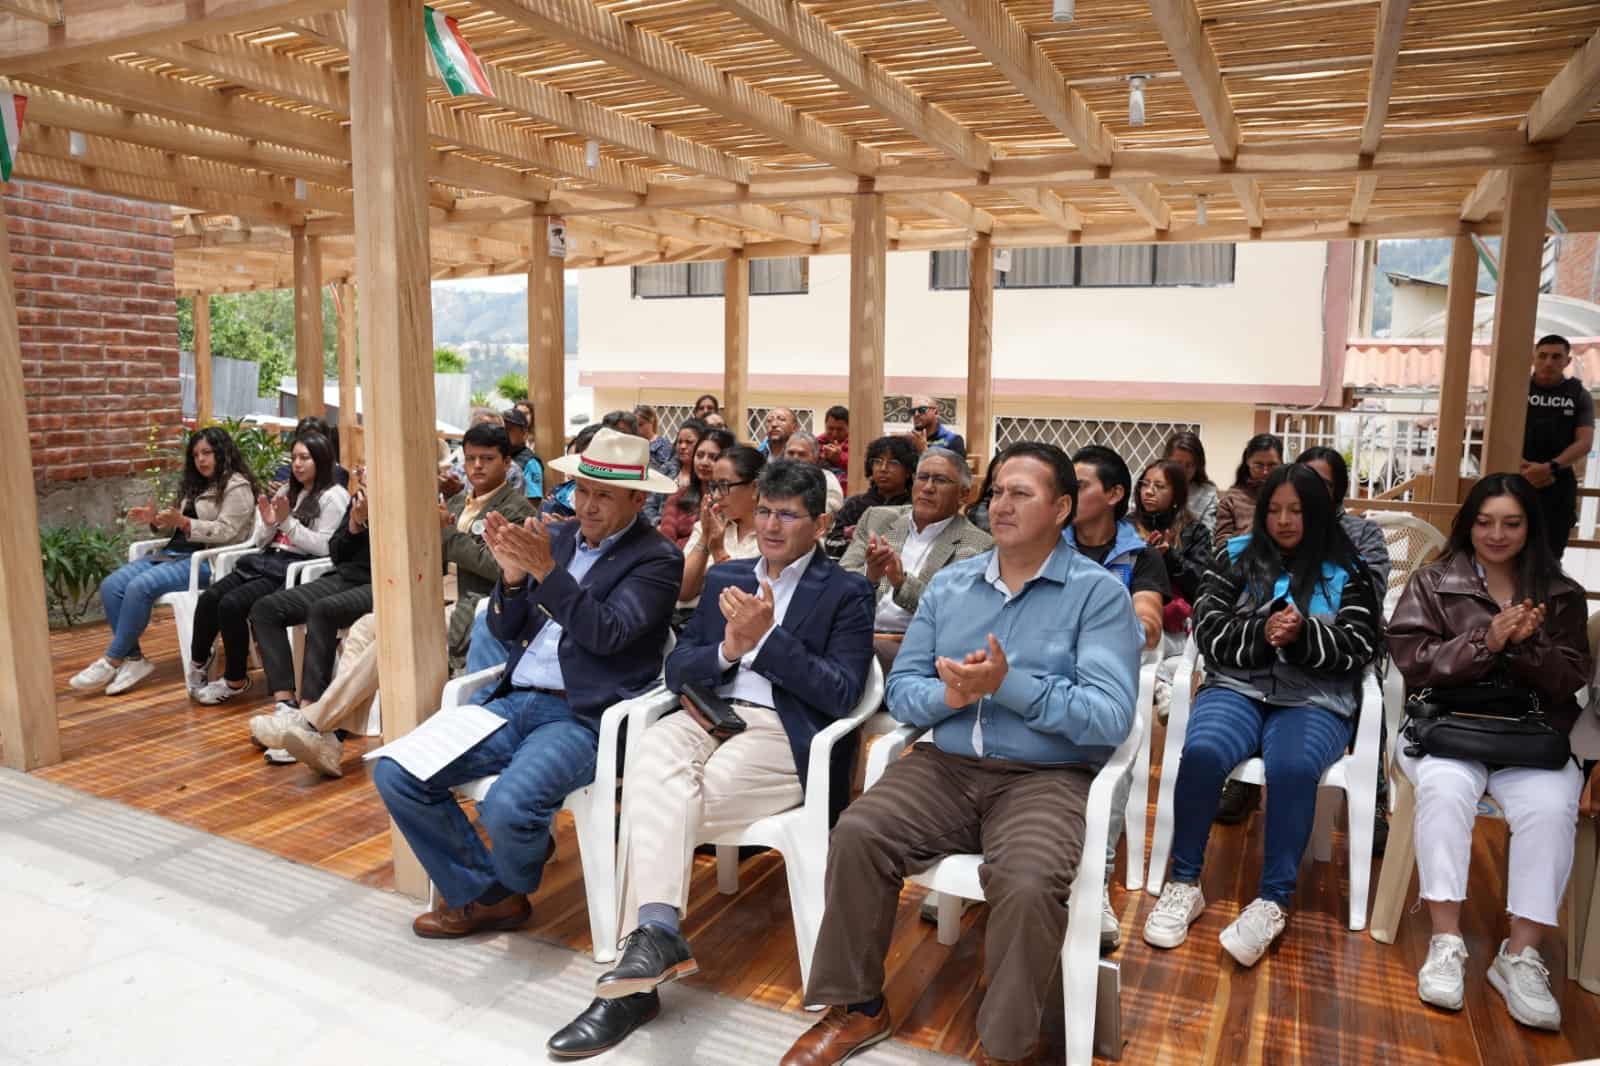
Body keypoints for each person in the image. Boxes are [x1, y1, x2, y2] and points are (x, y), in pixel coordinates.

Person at [782, 441, 1141, 1066]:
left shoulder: (1098, 594)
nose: (1001, 505)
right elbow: (903, 689)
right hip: (946, 766)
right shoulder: (951, 586)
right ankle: (857, 1008)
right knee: (859, 834)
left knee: (1028, 882)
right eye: (997, 492)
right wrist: (952, 695)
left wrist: (1010, 686)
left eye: (1020, 494)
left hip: (1045, 776)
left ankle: (1005, 1047)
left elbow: (1109, 718)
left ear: (1061, 508)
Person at [549, 460, 875, 1059]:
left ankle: (631, 987)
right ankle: (655, 939)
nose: (771, 526)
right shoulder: (727, 575)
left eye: (788, 515)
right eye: (765, 511)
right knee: (651, 755)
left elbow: (840, 693)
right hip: (705, 713)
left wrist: (767, 640)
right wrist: (727, 647)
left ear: (822, 524)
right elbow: (678, 670)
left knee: (652, 802)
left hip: (780, 731)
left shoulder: (847, 592)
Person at [372, 428, 682, 942]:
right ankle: (491, 894)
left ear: (637, 499)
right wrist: (514, 579)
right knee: (396, 772)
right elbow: (503, 629)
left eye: (604, 495)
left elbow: (609, 635)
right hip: (513, 699)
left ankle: (500, 884)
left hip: (581, 715)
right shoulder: (556, 538)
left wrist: (547, 572)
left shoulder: (657, 559)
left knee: (508, 807)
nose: (587, 505)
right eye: (583, 490)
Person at [1143, 463, 1381, 967]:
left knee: (1293, 767)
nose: (1284, 521)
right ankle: (1184, 883)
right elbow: (1208, 629)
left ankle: (1273, 901)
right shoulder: (1234, 556)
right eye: (1274, 510)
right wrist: (1261, 632)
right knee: (1203, 751)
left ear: (1317, 512)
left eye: (1297, 510)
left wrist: (1302, 636)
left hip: (1314, 699)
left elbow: (1361, 644)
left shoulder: (1349, 567)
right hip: (1237, 687)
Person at [1388, 473, 1589, 1030]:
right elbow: (1414, 661)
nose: (1496, 534)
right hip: (1447, 727)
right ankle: (1446, 940)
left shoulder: (1561, 593)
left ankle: (1519, 955)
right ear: (1468, 524)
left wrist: (1527, 646)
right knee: (1444, 788)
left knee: (1551, 805)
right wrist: (1488, 640)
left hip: (1530, 735)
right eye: (1484, 522)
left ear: (1531, 527)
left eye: (1511, 523)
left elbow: (1571, 679)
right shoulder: (1434, 582)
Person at [70, 427, 258, 696]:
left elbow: (228, 531)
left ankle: (112, 660)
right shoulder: (195, 485)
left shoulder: (237, 486)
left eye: (207, 453)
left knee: (140, 586)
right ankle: (134, 659)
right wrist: (156, 521)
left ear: (222, 452)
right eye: (196, 455)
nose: (201, 459)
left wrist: (185, 522)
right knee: (111, 585)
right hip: (173, 554)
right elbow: (177, 527)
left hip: (207, 561)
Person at [188, 432, 348, 705]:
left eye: (304, 458)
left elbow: (326, 547)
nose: (297, 464)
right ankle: (198, 665)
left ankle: (235, 679)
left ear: (321, 459)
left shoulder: (334, 497)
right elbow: (261, 540)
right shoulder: (287, 491)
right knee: (210, 598)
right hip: (266, 559)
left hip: (295, 567)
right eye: (294, 458)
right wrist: (270, 523)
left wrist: (288, 525)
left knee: (232, 604)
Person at [248, 470, 373, 763]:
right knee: (266, 609)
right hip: (344, 577)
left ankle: (308, 716)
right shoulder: (360, 499)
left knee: (323, 611)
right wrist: (355, 523)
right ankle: (286, 707)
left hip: (382, 583)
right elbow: (337, 552)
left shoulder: (408, 498)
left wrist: (368, 522)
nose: (364, 473)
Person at [841, 447, 991, 672]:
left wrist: (902, 583)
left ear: (964, 494)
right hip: (857, 634)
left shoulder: (979, 545)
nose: (928, 488)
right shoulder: (877, 518)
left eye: (940, 480)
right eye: (923, 477)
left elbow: (951, 612)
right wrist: (870, 576)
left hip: (917, 649)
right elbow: (841, 584)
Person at [1068, 446, 1168, 652]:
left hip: (1110, 661)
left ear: (1114, 494)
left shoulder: (1141, 556)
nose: (1068, 495)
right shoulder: (1048, 548)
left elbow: (1149, 630)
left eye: (1079, 487)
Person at [1520, 334, 1594, 560]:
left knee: (1550, 558)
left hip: (1558, 484)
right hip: (1517, 479)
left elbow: (1585, 442)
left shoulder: (1579, 394)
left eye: (1556, 357)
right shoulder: (1516, 390)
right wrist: (1522, 467)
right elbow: (1498, 432)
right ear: (1533, 358)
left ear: (1567, 361)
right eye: (1542, 356)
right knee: (1510, 553)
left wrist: (1549, 467)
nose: (1548, 362)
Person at [677, 445, 764, 608]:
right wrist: (705, 537)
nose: (716, 495)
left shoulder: (771, 535)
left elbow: (746, 595)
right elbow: (683, 591)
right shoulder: (709, 524)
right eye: (714, 486)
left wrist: (718, 552)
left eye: (724, 486)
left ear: (755, 488)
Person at [827, 434, 918, 557]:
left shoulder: (914, 508)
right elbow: (831, 544)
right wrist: (861, 543)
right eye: (877, 462)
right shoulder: (855, 505)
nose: (883, 468)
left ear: (908, 471)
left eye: (893, 463)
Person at [658, 428, 733, 549]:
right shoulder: (678, 496)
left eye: (713, 457)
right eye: (700, 455)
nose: (704, 462)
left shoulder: (732, 501)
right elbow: (665, 544)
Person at [1213, 433, 1284, 549]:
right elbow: (1222, 542)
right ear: (1248, 462)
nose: (1265, 472)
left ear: (1281, 463)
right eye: (1259, 465)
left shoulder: (1289, 496)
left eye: (1272, 465)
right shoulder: (1232, 498)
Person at [1165, 430, 1218, 531]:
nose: (1183, 470)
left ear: (1198, 466)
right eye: (1177, 463)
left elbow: (1208, 532)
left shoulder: (1207, 493)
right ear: (1166, 461)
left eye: (1189, 465)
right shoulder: (1152, 485)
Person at [783, 430, 845, 513]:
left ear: (815, 457)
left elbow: (830, 513)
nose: (795, 458)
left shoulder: (827, 479)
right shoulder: (775, 477)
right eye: (790, 453)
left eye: (802, 454)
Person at [501, 406, 544, 505]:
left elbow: (534, 500)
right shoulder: (500, 456)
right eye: (502, 429)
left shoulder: (530, 462)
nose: (504, 433)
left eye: (509, 429)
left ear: (524, 434)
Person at [635, 404, 675, 474]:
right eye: (635, 425)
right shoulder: (635, 442)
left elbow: (667, 469)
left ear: (651, 421)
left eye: (641, 424)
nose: (638, 429)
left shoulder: (663, 444)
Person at [817, 404, 849, 480]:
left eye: (840, 429)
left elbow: (861, 467)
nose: (835, 434)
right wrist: (820, 459)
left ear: (849, 427)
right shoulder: (815, 444)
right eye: (830, 428)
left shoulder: (857, 446)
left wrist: (839, 458)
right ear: (825, 426)